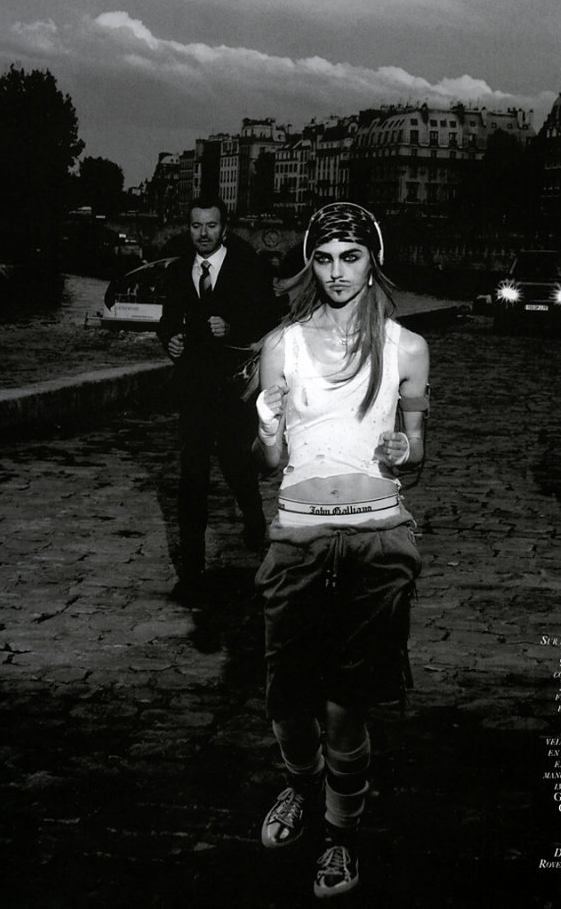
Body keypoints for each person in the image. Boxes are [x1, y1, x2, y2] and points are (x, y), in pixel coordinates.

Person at [252, 202, 429, 899]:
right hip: (298, 538)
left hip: (377, 541)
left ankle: (340, 834)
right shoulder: (282, 345)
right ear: (310, 263)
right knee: (287, 703)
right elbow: (269, 462)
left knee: (345, 705)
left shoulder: (407, 348)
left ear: (372, 261)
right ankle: (301, 786)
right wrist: (266, 433)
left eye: (350, 257)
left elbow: (417, 457)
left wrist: (405, 449)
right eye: (324, 258)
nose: (337, 272)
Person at [157, 198, 278, 604]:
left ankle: (254, 517)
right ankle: (191, 573)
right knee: (192, 477)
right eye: (196, 226)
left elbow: (269, 319)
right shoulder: (177, 271)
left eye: (211, 226)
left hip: (233, 391)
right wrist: (170, 340)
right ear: (188, 228)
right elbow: (167, 320)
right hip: (193, 390)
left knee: (236, 465)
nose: (203, 233)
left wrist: (233, 326)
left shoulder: (247, 267)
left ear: (224, 228)